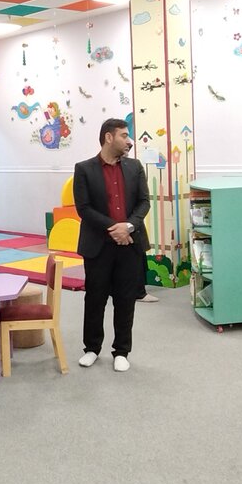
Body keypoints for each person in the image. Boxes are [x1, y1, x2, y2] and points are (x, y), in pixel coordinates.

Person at [72, 118, 150, 372]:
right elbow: (84, 209)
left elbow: (144, 202)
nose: (129, 141)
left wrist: (128, 226)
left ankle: (122, 351)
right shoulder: (84, 169)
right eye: (124, 136)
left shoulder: (135, 167)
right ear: (108, 137)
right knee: (95, 298)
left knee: (126, 299)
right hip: (98, 246)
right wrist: (114, 228)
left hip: (130, 243)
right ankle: (92, 348)